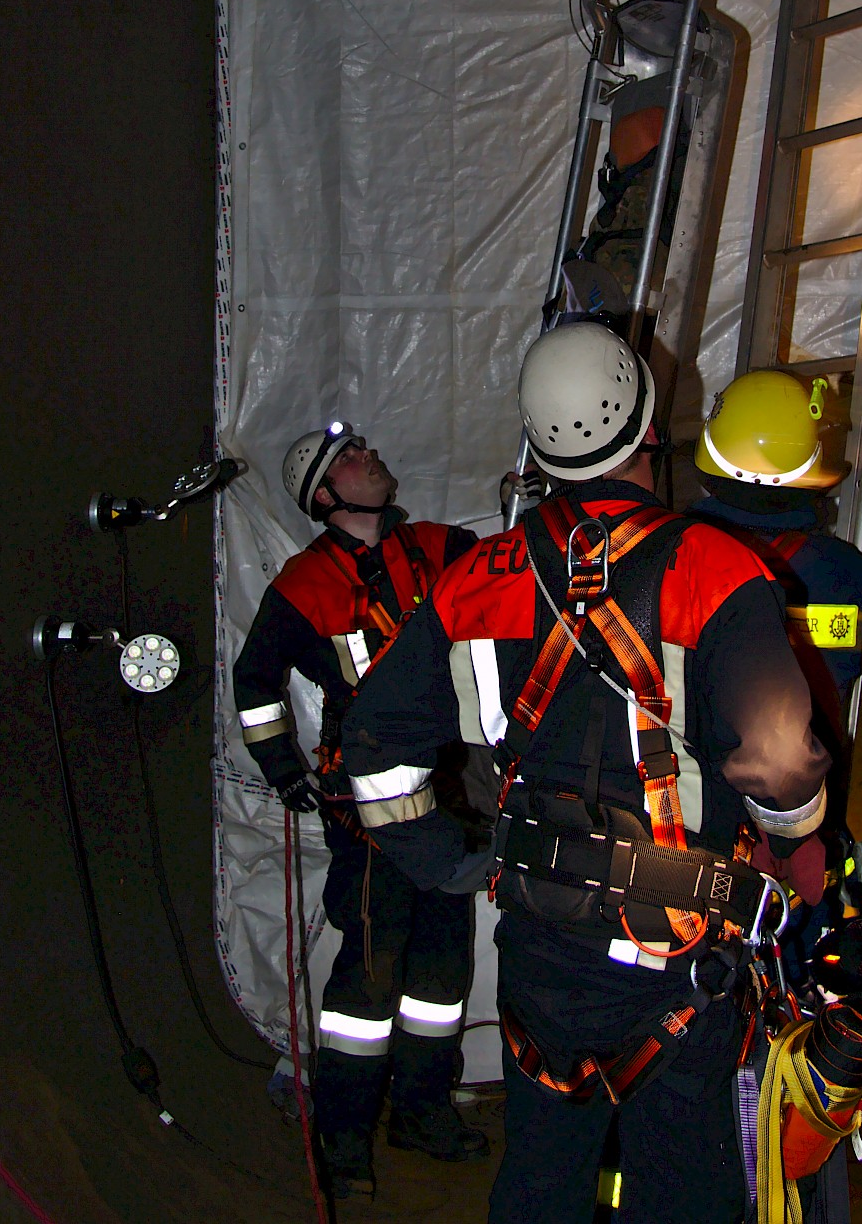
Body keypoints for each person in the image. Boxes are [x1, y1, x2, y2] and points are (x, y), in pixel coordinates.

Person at [342, 324, 831, 1224]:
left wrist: (450, 862)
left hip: (540, 949)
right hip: (678, 962)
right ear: (651, 429)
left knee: (540, 1184)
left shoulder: (472, 578)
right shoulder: (719, 572)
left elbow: (372, 744)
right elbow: (782, 758)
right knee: (686, 1194)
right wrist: (802, 850)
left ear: (537, 443)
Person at [233, 421, 489, 1198]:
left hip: (450, 795)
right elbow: (255, 686)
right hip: (370, 809)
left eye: (364, 449)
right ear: (323, 495)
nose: (368, 457)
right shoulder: (304, 586)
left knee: (443, 971)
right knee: (370, 980)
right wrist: (283, 769)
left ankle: (421, 1110)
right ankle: (341, 1136)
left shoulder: (443, 550)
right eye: (346, 459)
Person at [693, 369, 862, 911]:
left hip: (678, 825)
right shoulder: (842, 574)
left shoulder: (671, 554)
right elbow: (834, 683)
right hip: (796, 832)